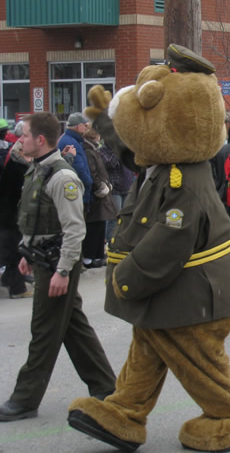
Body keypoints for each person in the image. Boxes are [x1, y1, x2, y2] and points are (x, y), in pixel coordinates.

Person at [0, 113, 116, 422]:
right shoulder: (39, 170)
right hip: (43, 257)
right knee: (73, 326)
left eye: (24, 135)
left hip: (57, 262)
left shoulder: (62, 177)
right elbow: (36, 217)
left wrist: (63, 271)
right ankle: (106, 387)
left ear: (40, 140)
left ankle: (24, 399)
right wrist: (26, 251)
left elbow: (74, 230)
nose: (19, 139)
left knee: (44, 330)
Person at [0, 138, 33, 298]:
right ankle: (17, 289)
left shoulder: (21, 165)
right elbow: (12, 194)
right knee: (14, 252)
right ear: (21, 151)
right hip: (11, 216)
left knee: (13, 251)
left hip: (14, 215)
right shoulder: (16, 167)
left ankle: (10, 282)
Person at [80, 127, 116, 268]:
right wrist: (100, 186)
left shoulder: (93, 150)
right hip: (95, 194)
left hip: (101, 191)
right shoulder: (89, 151)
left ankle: (98, 255)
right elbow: (92, 171)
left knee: (100, 223)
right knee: (94, 225)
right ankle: (90, 257)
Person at [57, 112, 93, 206]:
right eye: (86, 125)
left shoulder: (69, 139)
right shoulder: (71, 143)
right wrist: (89, 182)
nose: (87, 128)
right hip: (78, 192)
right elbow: (79, 168)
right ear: (79, 126)